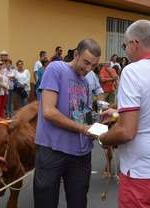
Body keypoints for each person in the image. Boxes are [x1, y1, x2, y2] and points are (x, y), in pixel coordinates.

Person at [98, 20, 150, 208]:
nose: (125, 50)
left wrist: (104, 138)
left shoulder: (133, 72)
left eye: (125, 45)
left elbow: (126, 132)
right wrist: (118, 113)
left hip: (143, 172)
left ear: (134, 44)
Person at [34, 38, 101, 208]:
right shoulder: (56, 68)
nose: (88, 69)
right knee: (46, 202)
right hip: (52, 149)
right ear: (76, 54)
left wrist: (96, 124)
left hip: (80, 153)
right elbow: (48, 111)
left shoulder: (85, 82)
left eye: (93, 66)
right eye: (86, 62)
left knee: (78, 203)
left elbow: (82, 115)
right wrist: (84, 128)